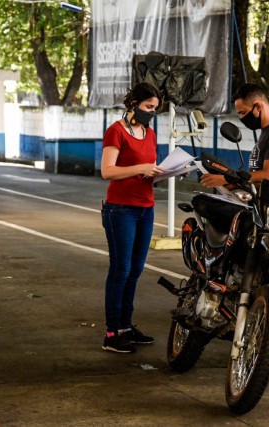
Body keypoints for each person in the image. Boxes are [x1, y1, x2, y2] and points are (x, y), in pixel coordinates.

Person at [200, 83, 269, 370]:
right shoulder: (267, 132)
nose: (243, 117)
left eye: (244, 112)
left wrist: (229, 180)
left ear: (258, 106)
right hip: (261, 212)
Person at [100, 82, 164, 354]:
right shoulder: (115, 131)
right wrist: (141, 167)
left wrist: (165, 172)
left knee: (135, 270)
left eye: (155, 109)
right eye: (148, 107)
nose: (151, 112)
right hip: (120, 209)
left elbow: (150, 170)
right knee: (121, 270)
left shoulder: (149, 133)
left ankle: (126, 326)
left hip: (145, 208)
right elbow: (108, 171)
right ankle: (112, 332)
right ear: (133, 103)